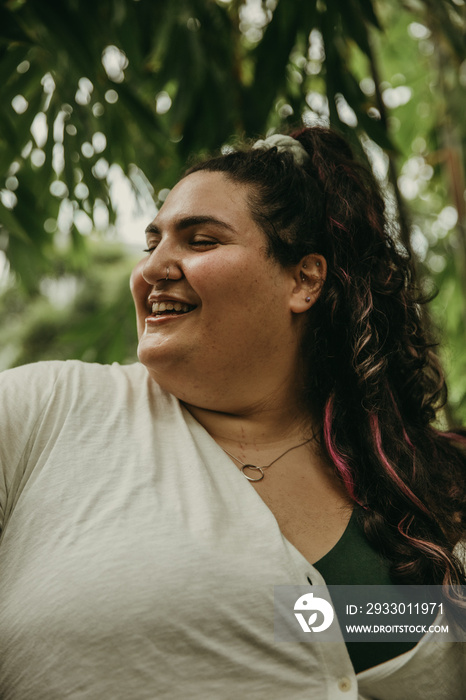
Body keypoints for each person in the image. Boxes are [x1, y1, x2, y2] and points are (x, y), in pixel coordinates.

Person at [0, 126, 465, 699]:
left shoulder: (423, 478)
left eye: (200, 241)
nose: (152, 269)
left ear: (304, 279)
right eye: (153, 243)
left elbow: (289, 619)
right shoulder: (44, 412)